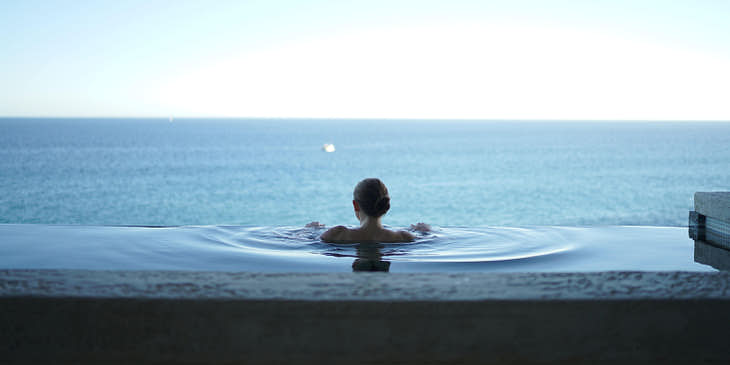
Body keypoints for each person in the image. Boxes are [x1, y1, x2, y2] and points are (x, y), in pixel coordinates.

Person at [320, 178, 419, 243]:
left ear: (355, 205)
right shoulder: (403, 237)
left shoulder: (338, 234)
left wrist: (310, 229)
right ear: (386, 206)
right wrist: (424, 230)